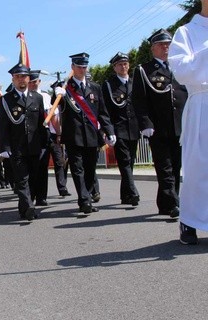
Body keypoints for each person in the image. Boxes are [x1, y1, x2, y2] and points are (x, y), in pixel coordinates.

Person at [132, 29, 188, 219]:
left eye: (168, 44)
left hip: (179, 127)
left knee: (175, 165)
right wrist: (145, 123)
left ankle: (165, 203)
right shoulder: (144, 70)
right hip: (157, 128)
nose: (166, 48)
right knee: (165, 168)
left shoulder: (179, 67)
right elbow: (139, 101)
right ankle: (173, 204)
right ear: (153, 48)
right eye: (162, 44)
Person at [53, 53, 116, 214]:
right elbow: (57, 109)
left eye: (84, 67)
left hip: (92, 136)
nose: (82, 69)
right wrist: (57, 94)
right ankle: (84, 201)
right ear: (72, 68)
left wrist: (109, 131)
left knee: (90, 169)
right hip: (74, 136)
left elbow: (102, 112)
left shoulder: (95, 87)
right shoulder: (65, 88)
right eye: (79, 67)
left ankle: (86, 195)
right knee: (77, 169)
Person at [169, 3, 208, 245]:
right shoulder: (186, 32)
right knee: (198, 167)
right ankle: (190, 221)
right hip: (202, 102)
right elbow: (181, 71)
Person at [0, 63, 47, 221]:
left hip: (34, 146)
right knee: (22, 179)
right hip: (16, 147)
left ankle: (24, 207)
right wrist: (4, 147)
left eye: (24, 76)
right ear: (13, 79)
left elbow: (41, 123)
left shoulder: (37, 98)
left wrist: (46, 143)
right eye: (18, 77)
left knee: (33, 179)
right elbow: (3, 125)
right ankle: (30, 208)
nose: (21, 80)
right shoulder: (6, 100)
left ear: (29, 78)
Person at [101, 52, 141, 206]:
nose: (123, 67)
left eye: (125, 63)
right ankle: (133, 192)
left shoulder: (134, 83)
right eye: (119, 64)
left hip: (134, 129)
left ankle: (125, 196)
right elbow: (106, 110)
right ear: (114, 67)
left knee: (130, 162)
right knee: (124, 162)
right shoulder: (109, 85)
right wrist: (108, 130)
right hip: (119, 129)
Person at [28, 69, 52, 206]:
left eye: (35, 82)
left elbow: (53, 116)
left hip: (44, 134)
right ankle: (31, 195)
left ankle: (42, 196)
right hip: (31, 135)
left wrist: (58, 133)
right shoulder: (25, 97)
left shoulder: (46, 97)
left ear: (39, 82)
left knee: (43, 166)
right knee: (32, 167)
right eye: (30, 82)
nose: (33, 84)